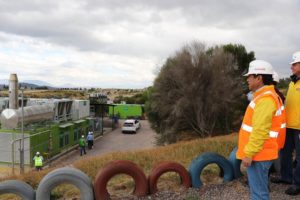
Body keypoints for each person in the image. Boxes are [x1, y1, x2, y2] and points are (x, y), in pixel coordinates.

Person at [237, 60, 284, 200]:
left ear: (259, 78)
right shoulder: (264, 97)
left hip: (259, 154)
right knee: (259, 191)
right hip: (261, 152)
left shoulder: (265, 100)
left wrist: (249, 153)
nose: (247, 79)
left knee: (258, 194)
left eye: (250, 76)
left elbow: (260, 131)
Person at [271, 51, 300, 196]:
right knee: (285, 153)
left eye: (294, 64)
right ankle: (286, 178)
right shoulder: (291, 83)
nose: (291, 67)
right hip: (288, 126)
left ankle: (298, 184)